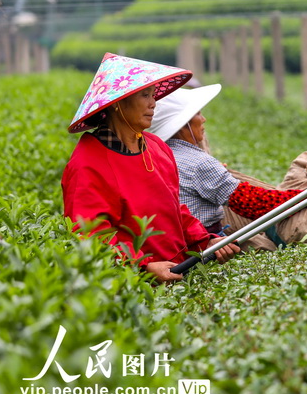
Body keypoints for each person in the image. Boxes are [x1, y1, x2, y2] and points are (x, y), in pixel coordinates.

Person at [62, 53, 240, 283]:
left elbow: (174, 208)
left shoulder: (156, 146)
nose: (153, 103)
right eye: (145, 95)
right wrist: (142, 266)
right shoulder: (87, 163)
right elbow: (90, 234)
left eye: (153, 95)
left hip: (181, 268)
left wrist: (205, 240)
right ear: (118, 102)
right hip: (134, 284)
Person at [147, 83, 304, 244]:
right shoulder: (199, 163)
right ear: (184, 123)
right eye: (198, 114)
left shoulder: (156, 154)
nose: (203, 119)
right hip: (202, 242)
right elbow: (255, 203)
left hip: (172, 240)